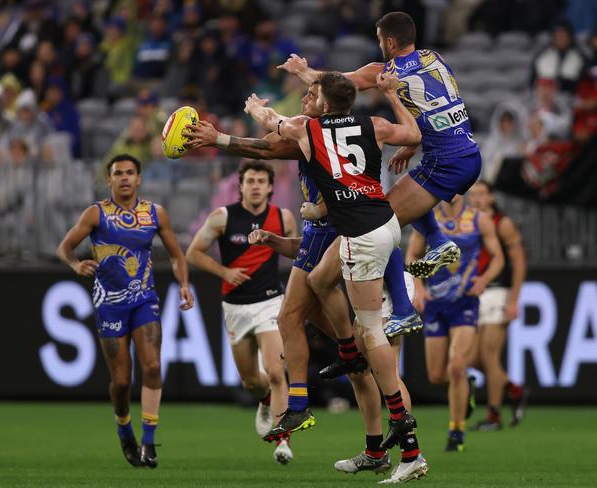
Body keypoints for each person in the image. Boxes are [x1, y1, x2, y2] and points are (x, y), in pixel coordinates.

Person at [244, 70, 422, 467]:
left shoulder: (311, 130)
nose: (308, 97)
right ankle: (375, 433)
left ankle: (403, 425)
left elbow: (273, 126)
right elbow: (412, 134)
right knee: (321, 280)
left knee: (371, 335)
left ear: (324, 103)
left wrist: (256, 107)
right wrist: (392, 94)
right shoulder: (373, 124)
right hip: (383, 223)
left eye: (313, 93)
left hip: (360, 235)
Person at [278, 11, 484, 288]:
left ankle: (401, 307)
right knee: (398, 196)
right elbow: (439, 107)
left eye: (379, 40)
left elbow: (336, 84)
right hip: (468, 152)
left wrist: (303, 70)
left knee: (377, 224)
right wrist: (413, 144)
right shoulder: (435, 58)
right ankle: (437, 242)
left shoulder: (384, 72)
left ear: (389, 42)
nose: (379, 47)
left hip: (445, 161)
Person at [57, 154, 193, 468]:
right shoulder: (96, 214)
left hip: (144, 299)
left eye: (130, 172)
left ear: (139, 178)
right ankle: (124, 430)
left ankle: (148, 442)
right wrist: (76, 263)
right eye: (118, 173)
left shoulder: (155, 213)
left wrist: (183, 283)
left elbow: (176, 255)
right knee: (121, 382)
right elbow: (64, 247)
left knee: (154, 366)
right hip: (109, 304)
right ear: (109, 180)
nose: (124, 178)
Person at [185, 160, 298, 465]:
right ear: (241, 186)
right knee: (250, 379)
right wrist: (224, 272)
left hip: (271, 301)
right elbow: (193, 253)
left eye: (261, 181)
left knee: (276, 373)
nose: (256, 186)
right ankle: (263, 400)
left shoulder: (283, 218)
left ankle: (282, 438)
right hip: (235, 305)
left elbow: (297, 253)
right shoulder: (223, 217)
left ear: (271, 186)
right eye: (250, 181)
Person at [407, 194, 504, 452]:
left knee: (457, 365)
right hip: (436, 304)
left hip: (465, 302)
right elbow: (412, 255)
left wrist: (483, 280)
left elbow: (498, 257)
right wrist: (418, 287)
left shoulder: (479, 220)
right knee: (437, 375)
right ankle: (467, 389)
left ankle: (456, 430)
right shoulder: (429, 217)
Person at [467, 180, 528, 430]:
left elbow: (519, 263)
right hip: (475, 294)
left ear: (491, 198)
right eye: (473, 195)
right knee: (470, 357)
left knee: (489, 356)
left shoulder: (502, 223)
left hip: (497, 292)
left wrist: (513, 299)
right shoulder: (469, 222)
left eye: (482, 194)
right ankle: (514, 389)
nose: (477, 199)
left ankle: (494, 414)